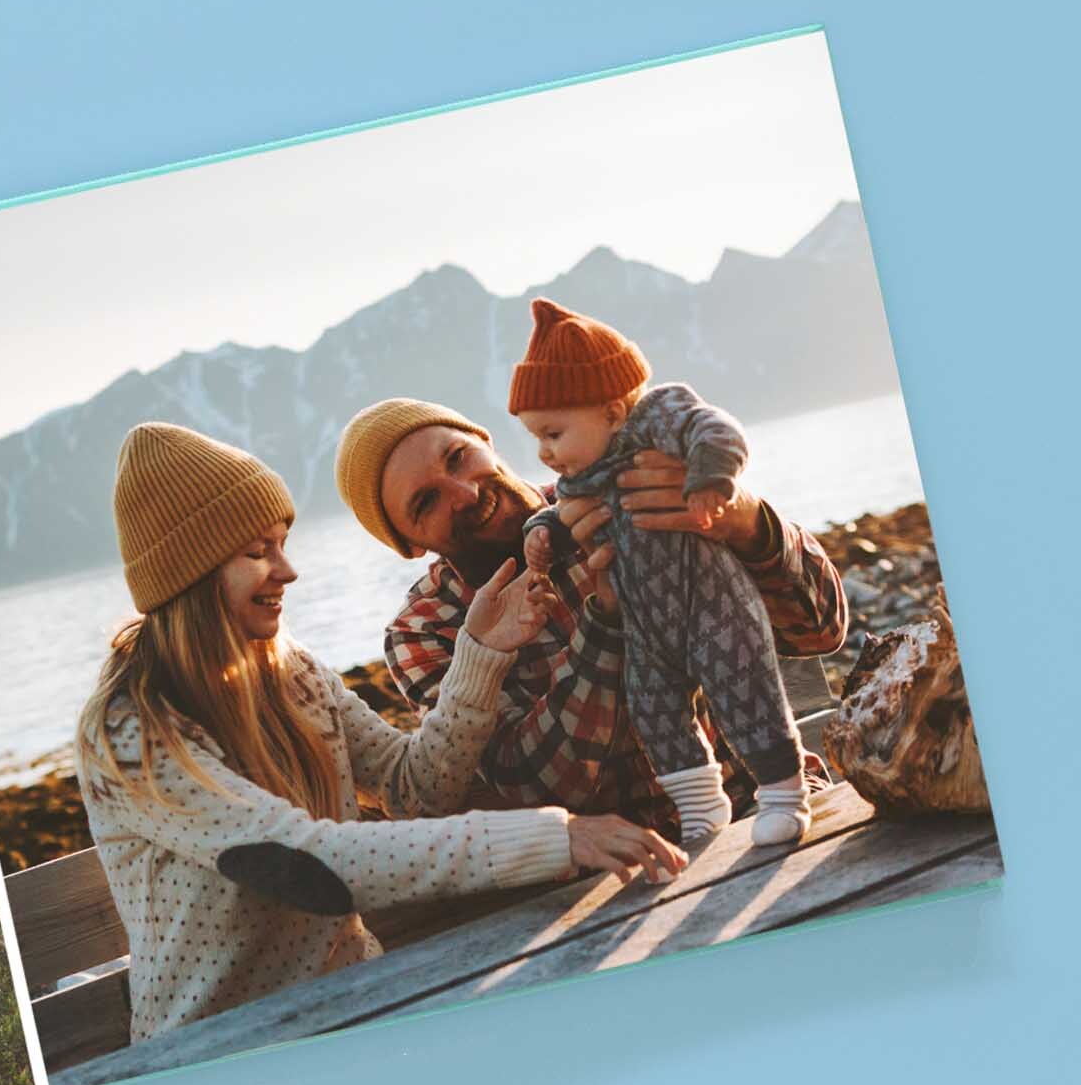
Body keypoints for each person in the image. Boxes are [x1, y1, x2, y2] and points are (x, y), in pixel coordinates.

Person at [74, 423, 686, 1042]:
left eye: (282, 543)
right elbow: (302, 860)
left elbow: (413, 787)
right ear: (191, 574)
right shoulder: (132, 730)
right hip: (221, 1050)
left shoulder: (291, 672)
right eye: (258, 551)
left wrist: (479, 654)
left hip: (359, 1002)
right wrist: (559, 836)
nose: (287, 571)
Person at [333, 366, 847, 843]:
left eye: (457, 457)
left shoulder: (626, 481)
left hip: (776, 804)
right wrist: (607, 624)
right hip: (628, 875)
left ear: (486, 442)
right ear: (407, 544)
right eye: (426, 502)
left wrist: (745, 520)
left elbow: (821, 630)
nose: (464, 493)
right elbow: (536, 787)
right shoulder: (425, 629)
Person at [509, 297, 810, 850]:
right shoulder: (583, 475)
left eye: (553, 434)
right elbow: (558, 511)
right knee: (655, 713)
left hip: (711, 604)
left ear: (612, 411)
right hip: (646, 631)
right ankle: (702, 807)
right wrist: (540, 535)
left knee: (747, 690)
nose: (546, 454)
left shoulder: (656, 421)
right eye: (536, 440)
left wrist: (714, 482)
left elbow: (715, 429)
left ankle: (785, 796)